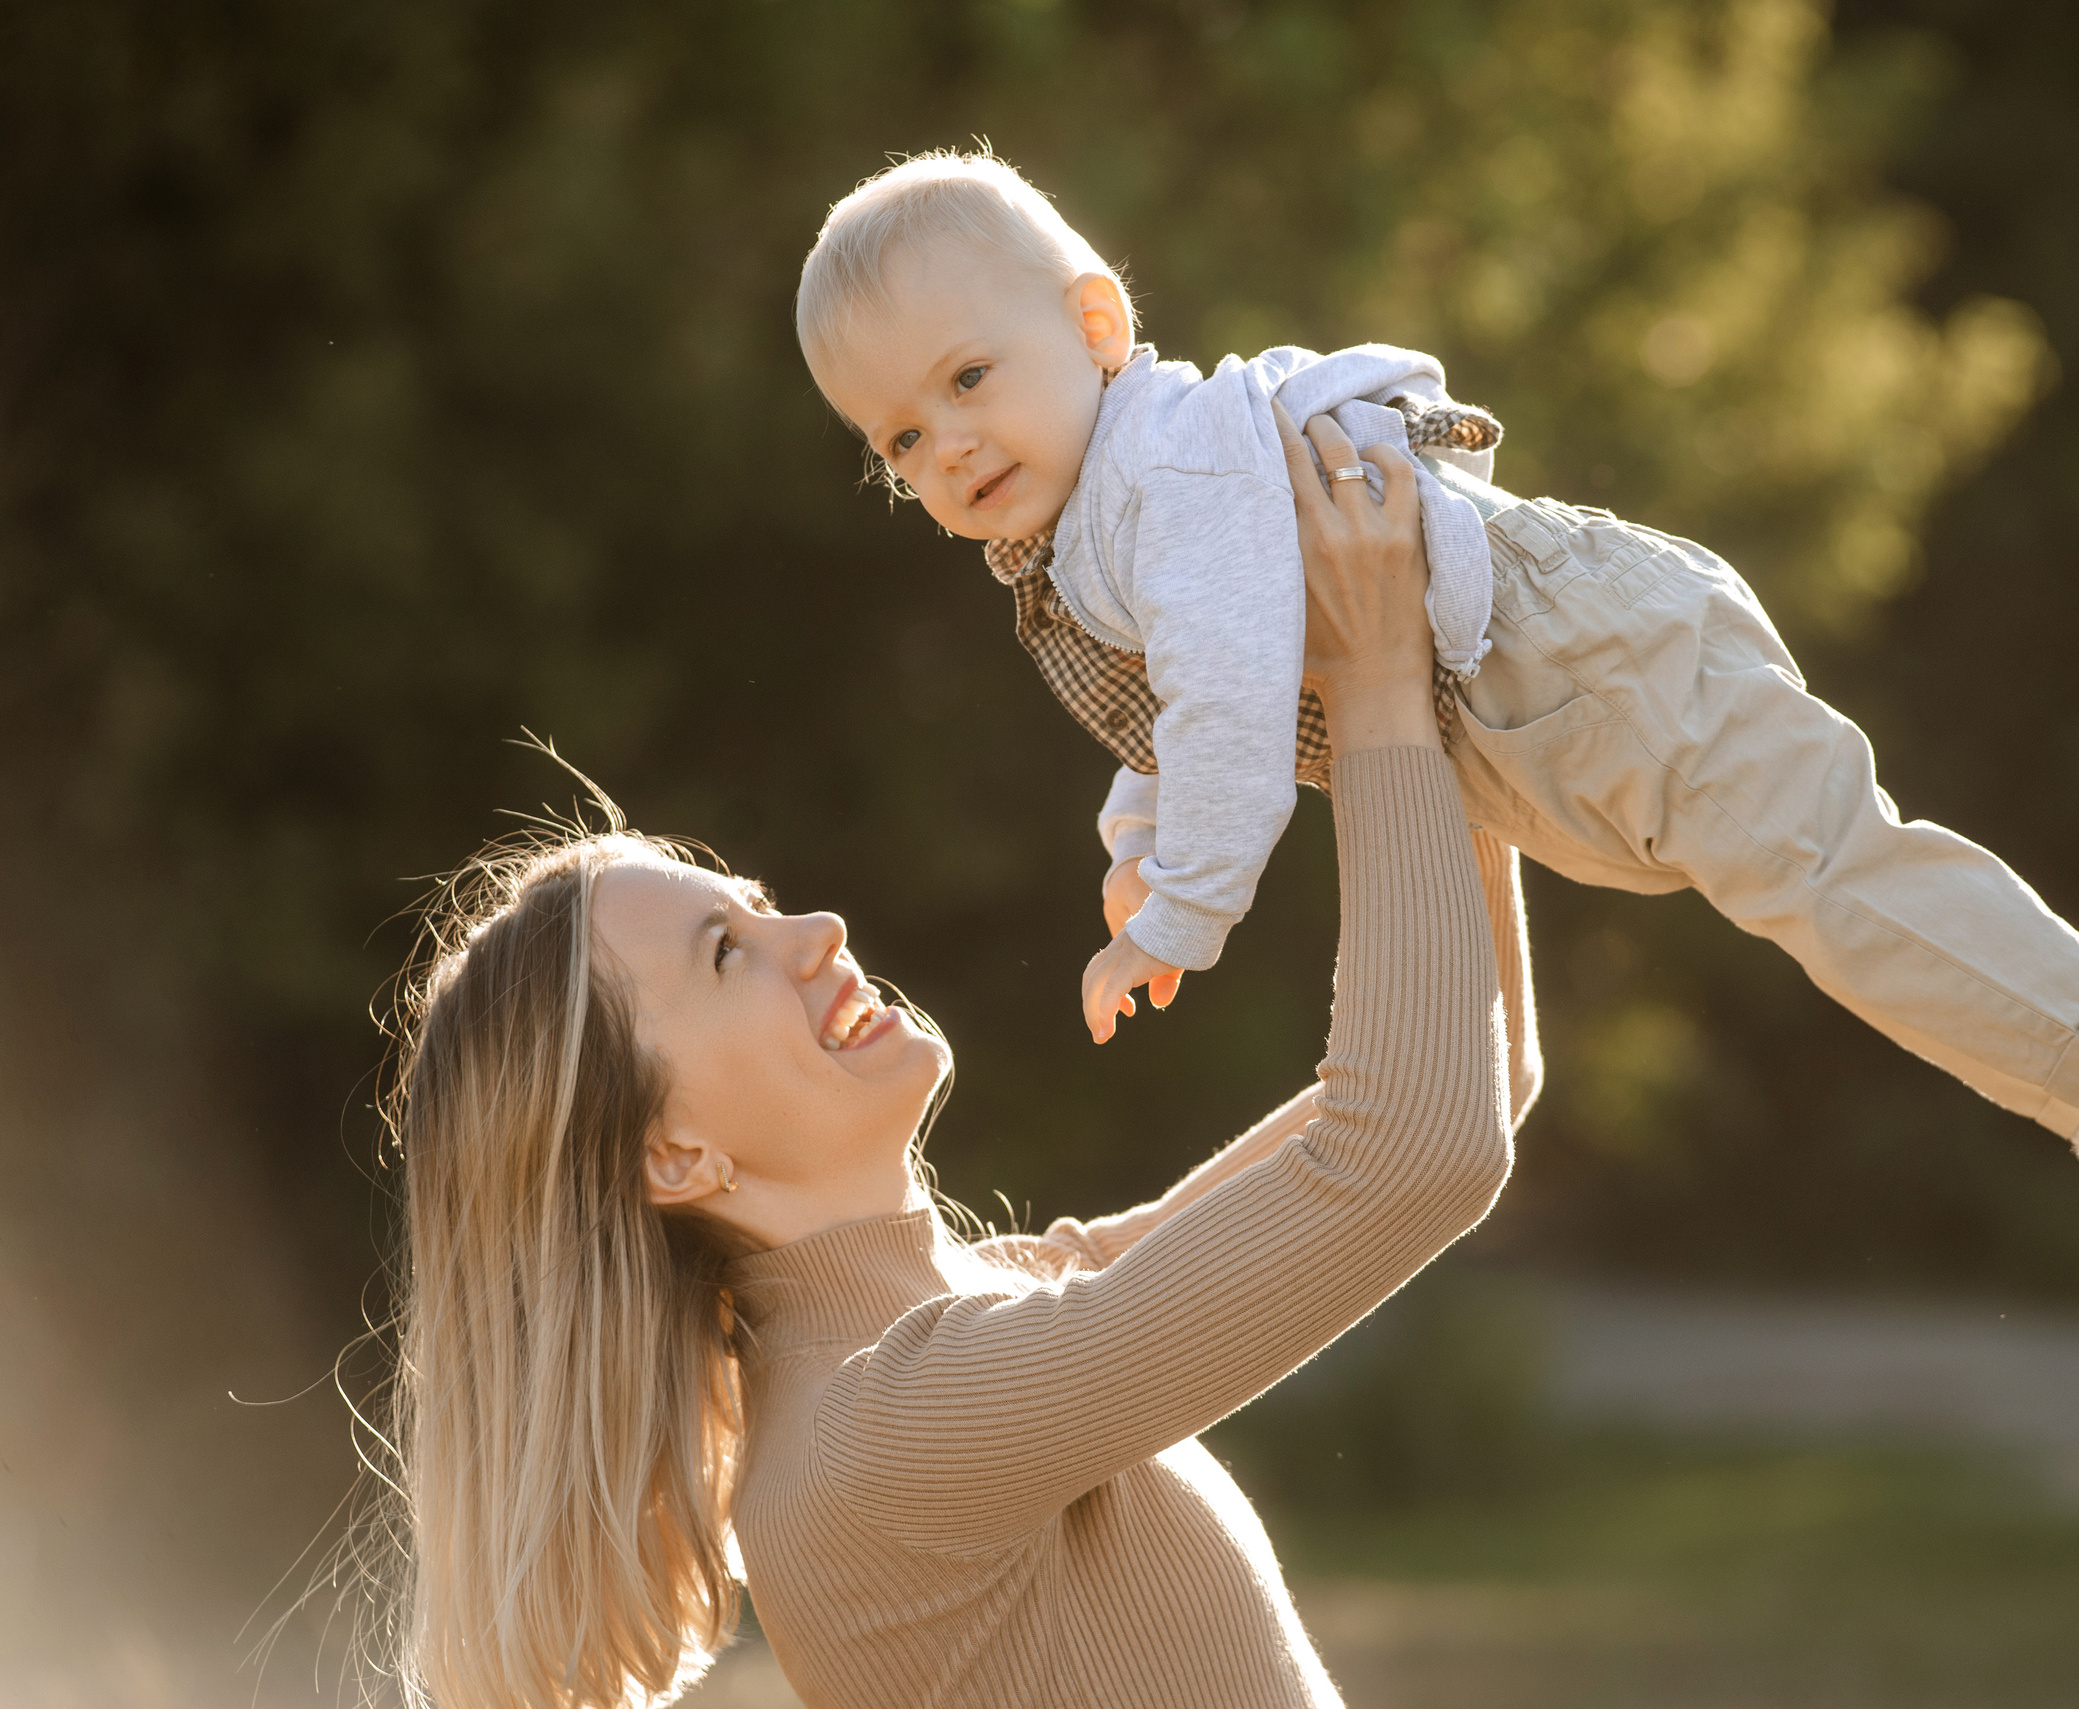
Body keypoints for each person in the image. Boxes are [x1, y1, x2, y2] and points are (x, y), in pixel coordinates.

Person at [789, 149, 2079, 1370]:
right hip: (1520, 714)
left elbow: (1232, 701)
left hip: (1578, 655)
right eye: (902, 438)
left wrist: (1179, 908)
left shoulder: (1161, 476)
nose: (950, 448)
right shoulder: (1103, 512)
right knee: (1691, 964)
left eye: (972, 378)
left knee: (1828, 874)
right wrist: (1139, 836)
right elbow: (1194, 694)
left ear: (1099, 325)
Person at [368, 423, 1538, 1709]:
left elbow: (1474, 1072)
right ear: (671, 1151)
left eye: (756, 901)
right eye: (724, 952)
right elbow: (1418, 1144)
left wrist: (1420, 686)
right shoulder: (891, 1428)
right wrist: (1374, 681)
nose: (814, 933)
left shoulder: (987, 1308)